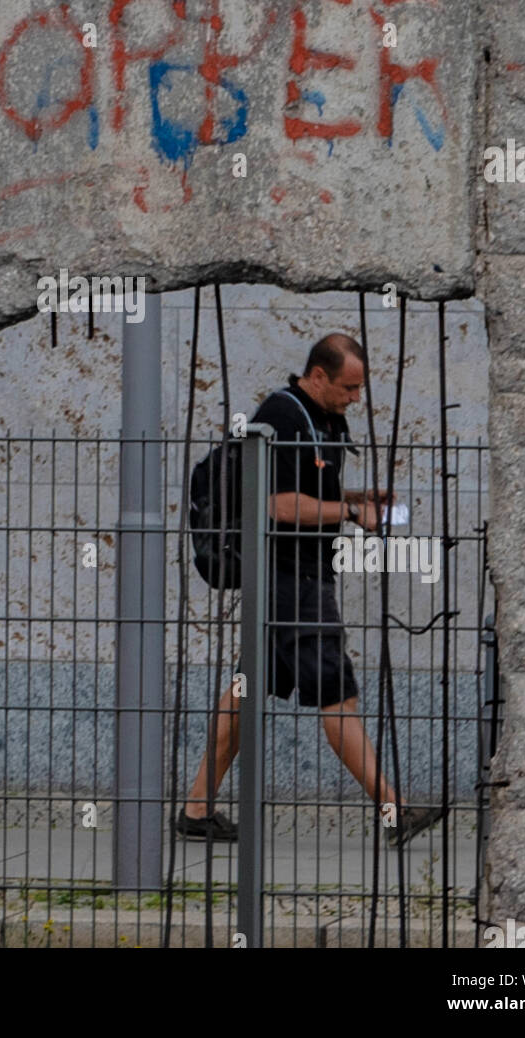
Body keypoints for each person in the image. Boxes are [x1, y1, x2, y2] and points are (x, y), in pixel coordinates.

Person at [176, 333, 446, 849]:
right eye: (348, 387)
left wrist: (355, 496)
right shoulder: (282, 416)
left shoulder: (321, 418)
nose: (354, 399)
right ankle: (394, 810)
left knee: (245, 691)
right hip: (293, 581)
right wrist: (349, 513)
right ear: (317, 375)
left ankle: (196, 810)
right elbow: (277, 505)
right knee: (337, 698)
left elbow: (305, 490)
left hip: (285, 580)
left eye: (359, 389)